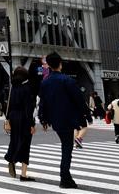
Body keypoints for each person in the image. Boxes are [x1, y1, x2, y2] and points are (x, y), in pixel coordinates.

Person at [38, 52, 91, 189]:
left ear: (48, 65)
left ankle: (66, 177)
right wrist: (87, 115)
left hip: (55, 120)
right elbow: (79, 99)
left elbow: (42, 102)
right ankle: (65, 177)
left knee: (65, 145)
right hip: (68, 118)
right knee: (67, 148)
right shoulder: (67, 80)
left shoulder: (45, 82)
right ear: (60, 63)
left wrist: (43, 119)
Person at [4, 66, 37, 182]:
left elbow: (9, 105)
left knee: (14, 140)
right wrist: (32, 124)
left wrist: (8, 119)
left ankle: (11, 158)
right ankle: (23, 174)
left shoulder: (13, 88)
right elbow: (29, 108)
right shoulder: (26, 88)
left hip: (13, 116)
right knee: (26, 143)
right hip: (23, 118)